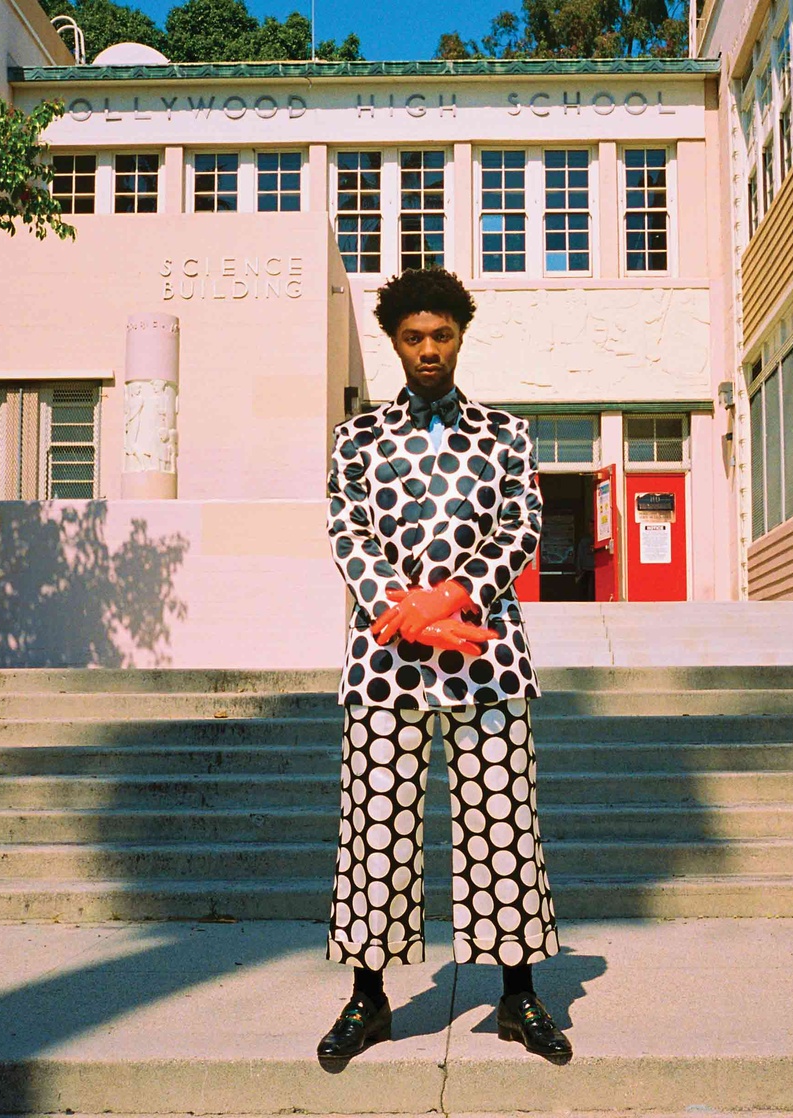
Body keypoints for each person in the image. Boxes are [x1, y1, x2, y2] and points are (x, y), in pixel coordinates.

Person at [316, 267, 571, 1061]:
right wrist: (410, 613)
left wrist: (454, 597)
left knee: (505, 824)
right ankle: (368, 999)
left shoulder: (506, 434)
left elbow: (520, 525)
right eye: (413, 337)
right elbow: (347, 530)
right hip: (386, 659)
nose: (428, 350)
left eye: (442, 335)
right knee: (375, 828)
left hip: (486, 658)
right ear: (394, 343)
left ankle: (519, 996)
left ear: (461, 336)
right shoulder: (358, 438)